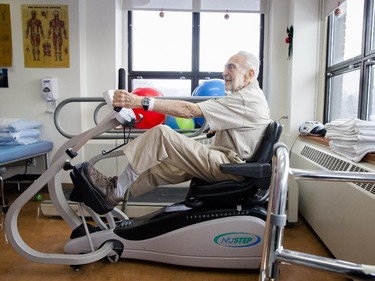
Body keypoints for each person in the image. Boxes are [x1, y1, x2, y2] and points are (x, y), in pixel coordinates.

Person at [83, 51, 272, 210]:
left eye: (231, 67)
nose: (224, 72)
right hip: (229, 161)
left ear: (250, 74)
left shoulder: (246, 99)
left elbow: (190, 111)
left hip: (231, 167)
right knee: (164, 164)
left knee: (162, 134)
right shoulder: (250, 97)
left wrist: (139, 101)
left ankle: (114, 190)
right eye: (225, 67)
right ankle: (117, 189)